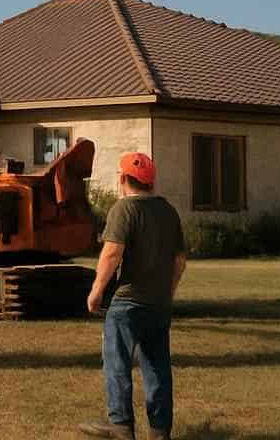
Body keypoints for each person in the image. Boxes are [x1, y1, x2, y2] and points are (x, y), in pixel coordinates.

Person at [80, 152, 187, 440]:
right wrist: (169, 292)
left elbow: (112, 252)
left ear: (124, 179)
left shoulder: (124, 209)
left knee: (117, 362)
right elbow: (179, 261)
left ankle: (121, 426)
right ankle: (159, 430)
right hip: (158, 303)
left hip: (127, 302)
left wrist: (96, 290)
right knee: (157, 367)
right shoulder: (168, 211)